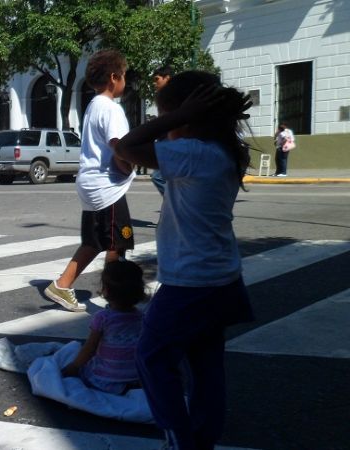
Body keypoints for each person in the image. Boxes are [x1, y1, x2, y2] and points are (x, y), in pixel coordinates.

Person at [113, 71, 254, 450]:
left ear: (187, 117)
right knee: (206, 367)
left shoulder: (193, 153)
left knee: (152, 358)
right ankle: (202, 439)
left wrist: (176, 116)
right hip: (223, 279)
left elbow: (127, 146)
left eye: (167, 119)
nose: (165, 131)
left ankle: (180, 443)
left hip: (190, 283)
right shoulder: (222, 151)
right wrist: (181, 116)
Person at [43, 49, 135, 312]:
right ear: (114, 77)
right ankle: (115, 297)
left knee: (94, 241)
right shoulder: (111, 109)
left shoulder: (93, 105)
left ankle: (62, 284)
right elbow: (119, 146)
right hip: (108, 186)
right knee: (118, 242)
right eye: (124, 76)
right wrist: (128, 167)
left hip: (90, 183)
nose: (125, 82)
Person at [61, 260, 146, 395]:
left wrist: (74, 366)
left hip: (106, 380)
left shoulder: (103, 317)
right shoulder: (142, 317)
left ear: (106, 290)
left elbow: (90, 348)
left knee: (85, 365)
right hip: (135, 377)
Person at [151, 65, 174, 194]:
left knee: (157, 177)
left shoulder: (173, 97)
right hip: (164, 141)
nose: (155, 83)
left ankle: (173, 201)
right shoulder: (161, 96)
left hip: (171, 141)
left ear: (167, 78)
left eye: (157, 79)